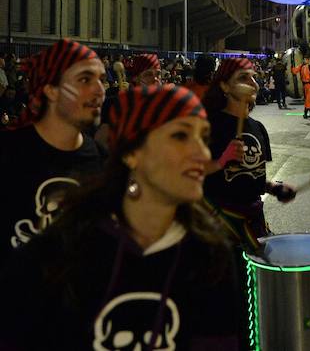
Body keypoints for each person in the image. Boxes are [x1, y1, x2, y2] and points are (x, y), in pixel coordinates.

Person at [0, 83, 240, 350]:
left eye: (204, 138)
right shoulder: (61, 253)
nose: (202, 153)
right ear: (132, 153)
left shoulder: (210, 254)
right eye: (181, 136)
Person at [0, 39, 107, 265]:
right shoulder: (9, 153)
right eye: (85, 80)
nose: (100, 90)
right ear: (51, 90)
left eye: (102, 79)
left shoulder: (102, 161)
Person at [202, 58, 296, 250]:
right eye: (243, 78)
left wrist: (274, 188)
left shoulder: (258, 128)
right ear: (224, 86)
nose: (252, 83)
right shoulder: (207, 125)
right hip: (219, 228)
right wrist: (221, 161)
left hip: (254, 223)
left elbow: (251, 176)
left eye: (253, 77)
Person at [291, 46, 310, 118]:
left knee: (307, 99)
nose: (304, 60)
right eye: (304, 59)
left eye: (305, 59)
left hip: (309, 85)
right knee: (307, 99)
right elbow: (294, 71)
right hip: (305, 85)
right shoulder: (301, 66)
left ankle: (305, 113)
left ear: (308, 60)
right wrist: (292, 65)